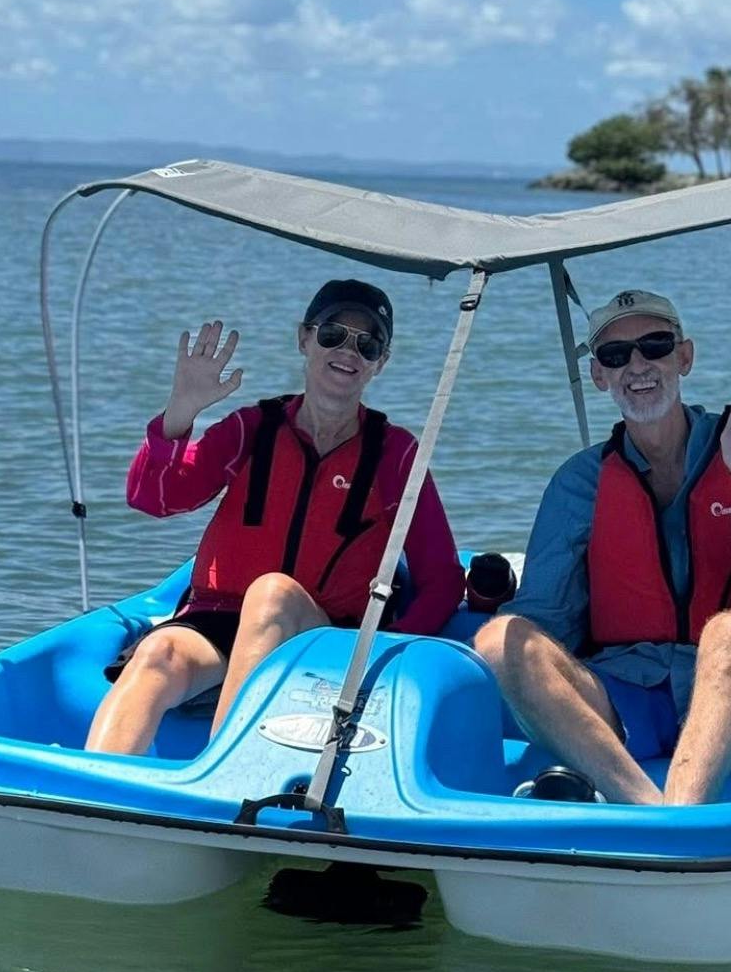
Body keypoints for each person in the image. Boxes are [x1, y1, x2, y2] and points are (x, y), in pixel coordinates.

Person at [474, 288, 731, 806]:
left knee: (730, 631)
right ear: (600, 376)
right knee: (499, 637)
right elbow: (547, 622)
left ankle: (681, 815)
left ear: (684, 356)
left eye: (654, 345)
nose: (636, 365)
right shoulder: (578, 483)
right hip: (626, 689)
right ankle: (644, 806)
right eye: (615, 356)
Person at [87, 277, 463, 756]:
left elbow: (443, 580)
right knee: (156, 654)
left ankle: (217, 771)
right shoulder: (252, 429)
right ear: (304, 339)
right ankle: (86, 795)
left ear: (379, 364)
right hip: (218, 623)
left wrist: (385, 653)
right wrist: (180, 411)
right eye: (332, 335)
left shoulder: (396, 454)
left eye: (367, 344)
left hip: (326, 636)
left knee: (273, 593)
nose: (347, 351)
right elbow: (152, 498)